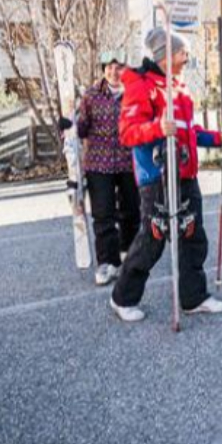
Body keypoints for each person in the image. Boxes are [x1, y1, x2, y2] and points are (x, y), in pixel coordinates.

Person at [109, 29, 222, 322]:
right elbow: (127, 134)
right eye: (181, 52)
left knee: (193, 236)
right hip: (157, 175)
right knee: (153, 239)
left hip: (185, 172)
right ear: (164, 55)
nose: (186, 58)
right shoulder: (142, 86)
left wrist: (216, 138)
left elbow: (187, 131)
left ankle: (193, 297)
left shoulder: (178, 87)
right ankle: (122, 297)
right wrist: (158, 129)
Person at [77, 51, 139, 286]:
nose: (114, 72)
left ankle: (128, 252)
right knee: (103, 215)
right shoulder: (91, 96)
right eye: (109, 67)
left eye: (118, 67)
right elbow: (81, 128)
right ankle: (108, 263)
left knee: (131, 212)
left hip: (127, 162)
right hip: (98, 164)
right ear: (103, 69)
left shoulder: (134, 94)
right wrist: (68, 126)